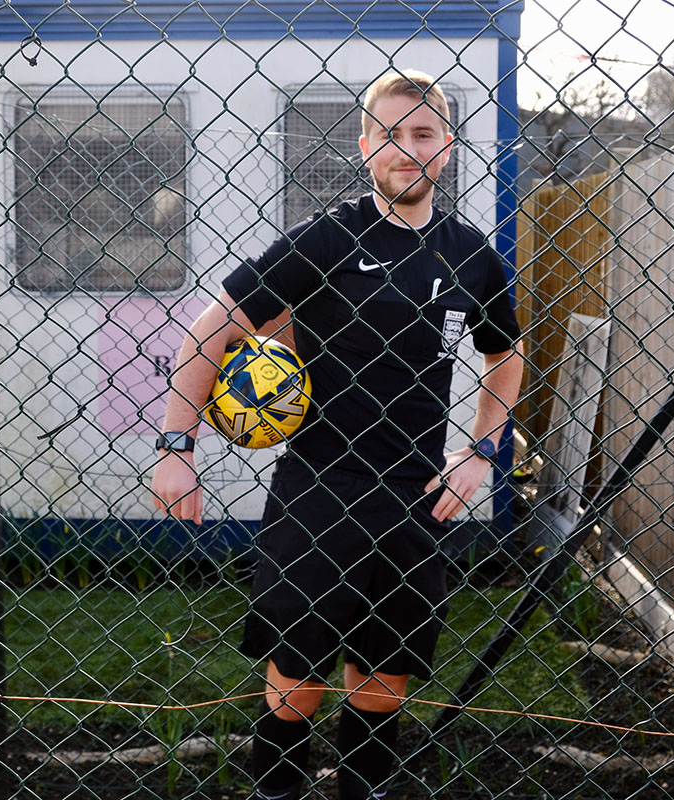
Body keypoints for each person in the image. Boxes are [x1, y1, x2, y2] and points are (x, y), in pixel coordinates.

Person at [150, 69, 523, 800]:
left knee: (383, 683)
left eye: (421, 133)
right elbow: (210, 330)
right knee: (296, 681)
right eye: (389, 134)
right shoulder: (327, 237)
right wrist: (176, 447)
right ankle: (278, 791)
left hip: (416, 495)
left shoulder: (471, 255)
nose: (405, 148)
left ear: (445, 146)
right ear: (364, 145)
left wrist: (480, 451)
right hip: (318, 490)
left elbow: (505, 356)